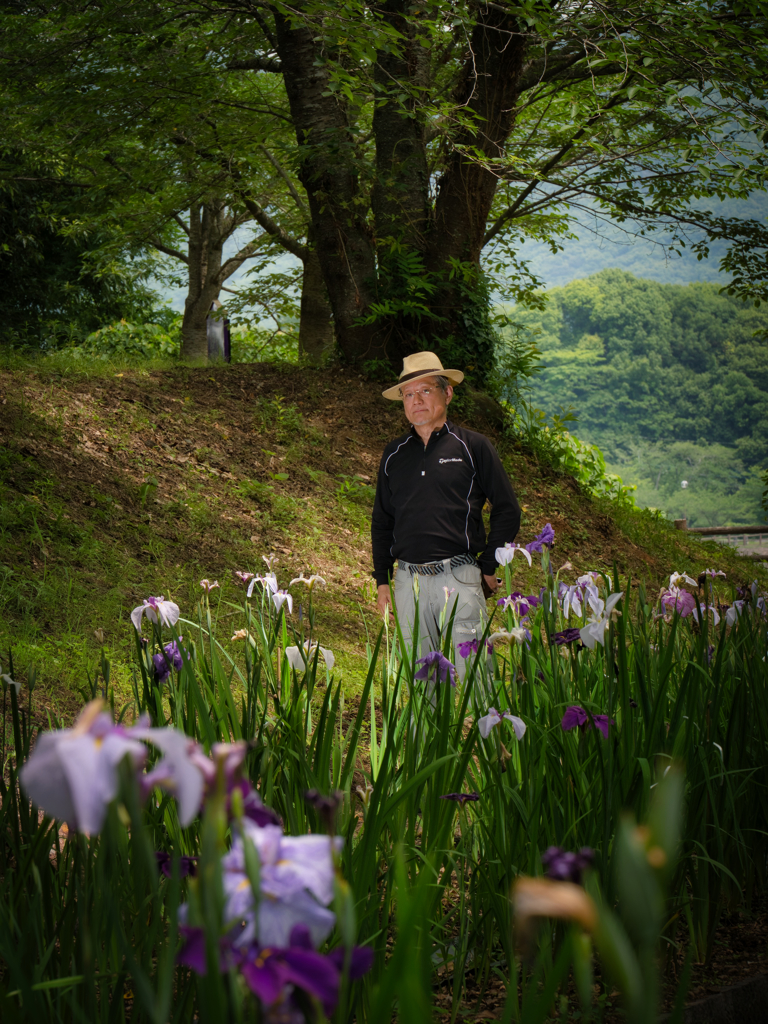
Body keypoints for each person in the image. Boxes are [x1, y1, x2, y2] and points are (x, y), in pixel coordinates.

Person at [371, 351, 521, 669]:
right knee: (422, 684)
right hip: (408, 581)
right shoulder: (394, 454)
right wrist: (382, 579)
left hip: (461, 576)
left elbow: (507, 509)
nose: (416, 400)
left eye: (426, 390)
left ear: (447, 392)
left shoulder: (473, 446)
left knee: (478, 679)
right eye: (408, 394)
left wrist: (489, 565)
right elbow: (383, 520)